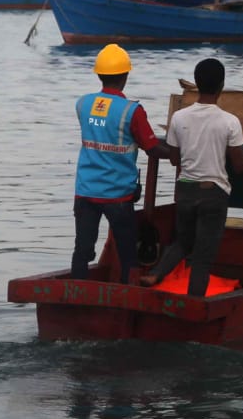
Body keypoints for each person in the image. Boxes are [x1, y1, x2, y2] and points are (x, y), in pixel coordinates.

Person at [145, 58, 243, 297]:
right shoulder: (229, 121)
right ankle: (194, 305)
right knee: (203, 257)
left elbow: (174, 159)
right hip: (213, 193)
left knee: (183, 243)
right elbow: (240, 166)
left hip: (185, 190)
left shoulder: (179, 117)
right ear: (221, 86)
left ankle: (156, 273)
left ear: (197, 83)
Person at [72, 44, 176, 283]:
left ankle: (76, 293)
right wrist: (178, 154)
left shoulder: (83, 104)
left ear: (99, 74)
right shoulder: (132, 111)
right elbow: (152, 148)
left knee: (82, 250)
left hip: (86, 190)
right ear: (125, 76)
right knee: (128, 253)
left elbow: (99, 129)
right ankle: (127, 293)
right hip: (117, 194)